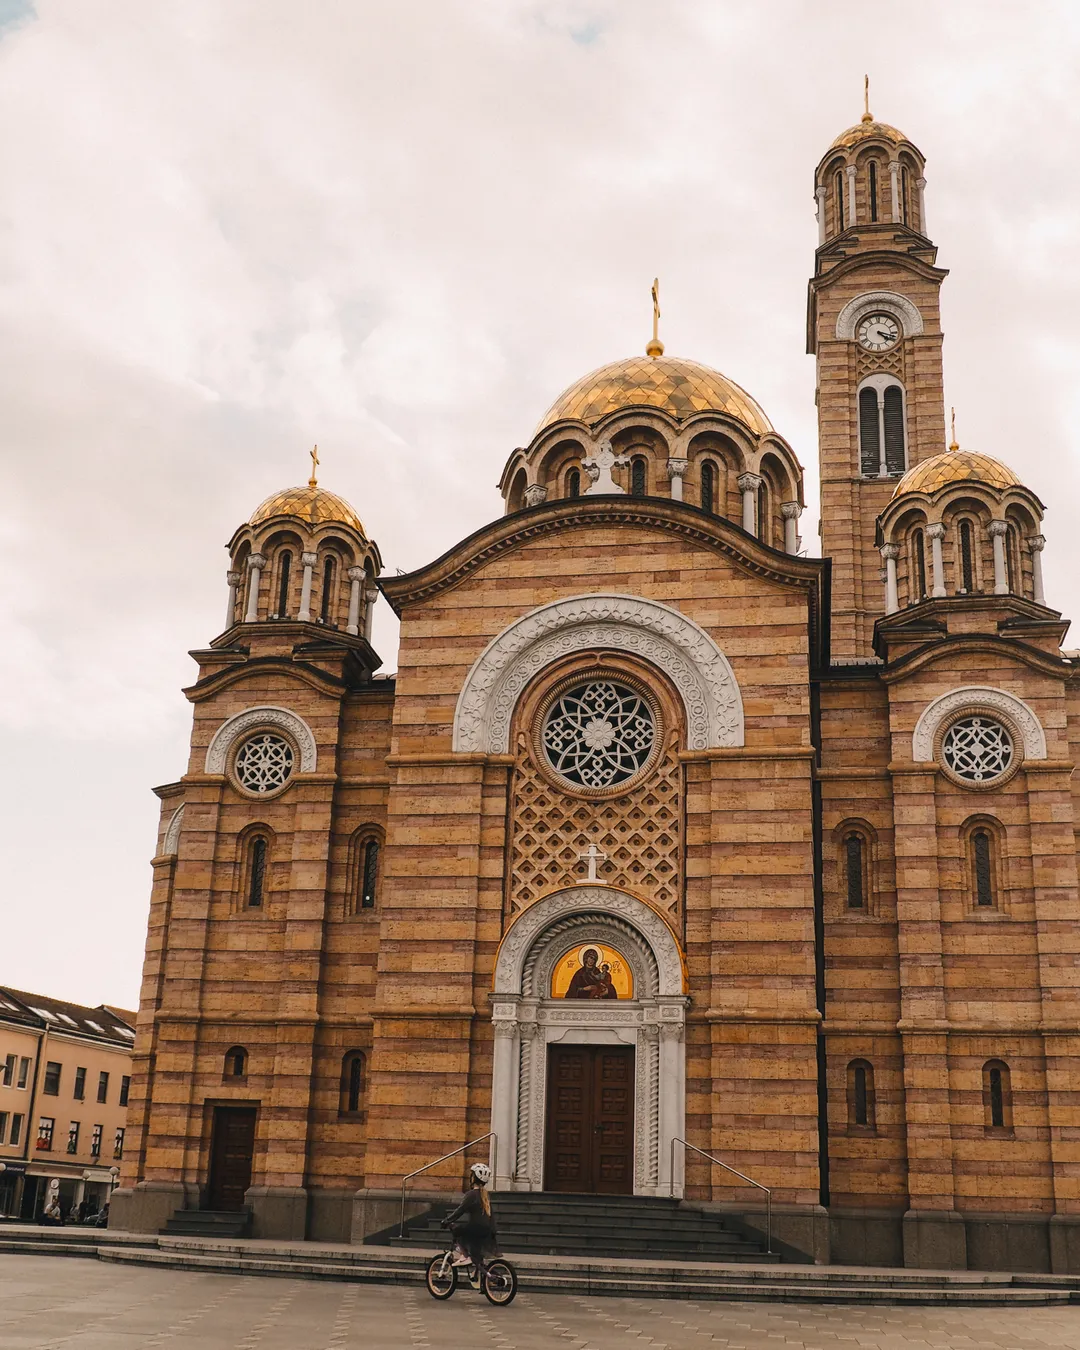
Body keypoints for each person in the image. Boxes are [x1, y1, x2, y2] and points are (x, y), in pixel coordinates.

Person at [443, 1163, 497, 1275]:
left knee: (457, 1230)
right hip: (486, 1229)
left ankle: (465, 1256)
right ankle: (481, 1276)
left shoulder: (471, 1194)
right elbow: (491, 1214)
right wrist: (493, 1230)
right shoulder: (485, 1195)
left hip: (475, 1228)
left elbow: (460, 1210)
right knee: (477, 1256)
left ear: (474, 1178)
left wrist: (447, 1220)